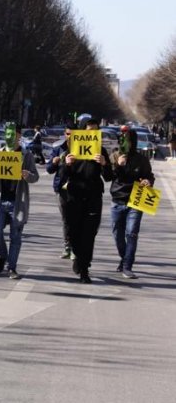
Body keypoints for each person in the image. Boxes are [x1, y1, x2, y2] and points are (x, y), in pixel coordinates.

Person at [59, 117, 112, 283]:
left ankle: (84, 269)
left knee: (89, 234)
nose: (92, 134)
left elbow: (109, 177)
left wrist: (104, 164)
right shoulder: (71, 150)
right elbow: (61, 178)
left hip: (93, 197)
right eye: (89, 131)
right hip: (74, 197)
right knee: (74, 232)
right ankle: (77, 257)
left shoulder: (101, 151)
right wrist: (66, 164)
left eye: (96, 131)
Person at [0, 123, 39, 280]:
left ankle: (12, 268)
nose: (9, 137)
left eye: (12, 134)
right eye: (6, 134)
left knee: (15, 237)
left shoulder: (26, 155)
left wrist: (27, 175)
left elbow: (35, 177)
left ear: (18, 136)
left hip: (17, 201)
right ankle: (3, 256)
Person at [109, 126, 154, 279]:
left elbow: (149, 176)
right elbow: (108, 177)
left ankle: (127, 266)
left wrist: (148, 181)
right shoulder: (114, 156)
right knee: (117, 235)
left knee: (132, 234)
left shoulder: (141, 159)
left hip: (135, 199)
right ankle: (124, 258)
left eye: (128, 140)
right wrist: (118, 166)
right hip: (117, 200)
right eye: (123, 139)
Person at [46, 123, 76, 259]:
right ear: (65, 134)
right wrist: (54, 162)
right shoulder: (59, 149)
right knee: (66, 219)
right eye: (68, 134)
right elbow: (49, 169)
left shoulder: (83, 149)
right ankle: (67, 246)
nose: (70, 136)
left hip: (78, 188)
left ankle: (75, 247)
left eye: (73, 134)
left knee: (76, 219)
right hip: (61, 189)